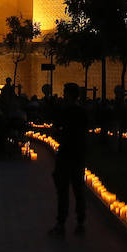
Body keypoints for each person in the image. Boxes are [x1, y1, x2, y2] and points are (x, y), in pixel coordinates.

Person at [49, 82, 88, 236]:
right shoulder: (82, 112)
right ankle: (80, 221)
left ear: (69, 95)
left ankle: (61, 222)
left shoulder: (65, 112)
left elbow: (57, 129)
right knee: (78, 189)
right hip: (78, 154)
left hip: (66, 154)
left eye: (65, 93)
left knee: (63, 189)